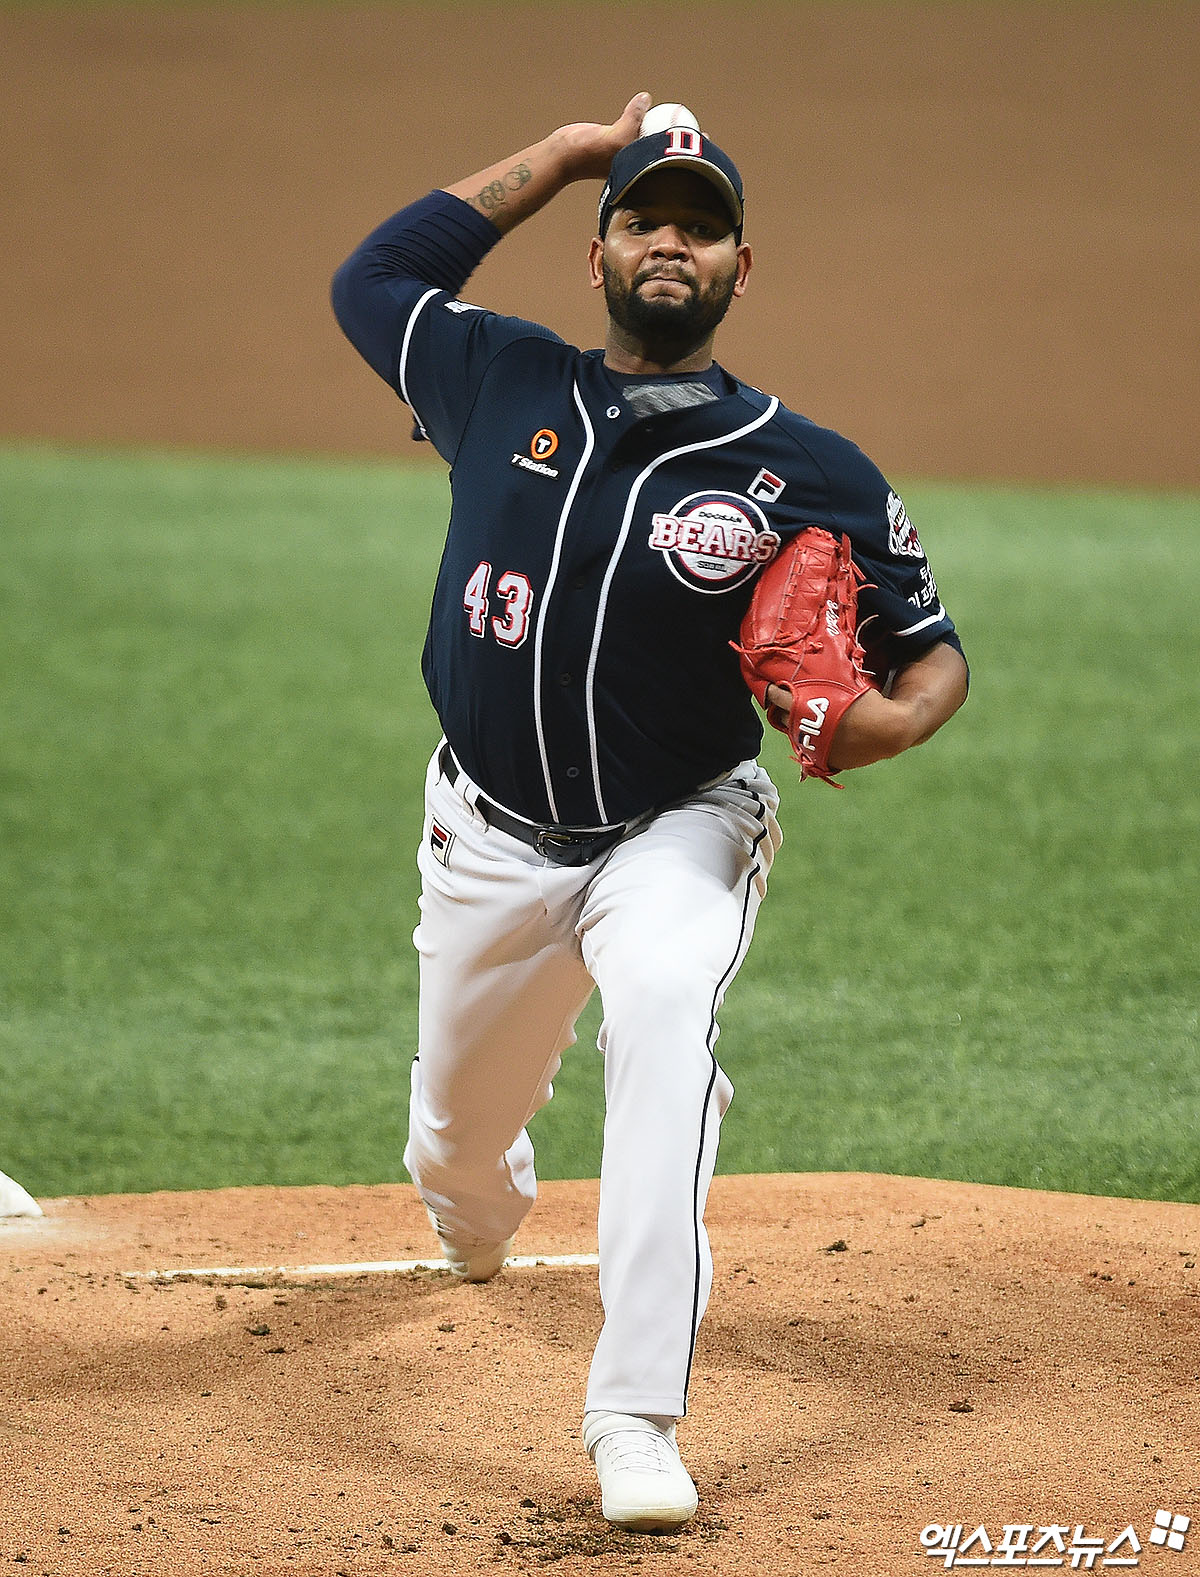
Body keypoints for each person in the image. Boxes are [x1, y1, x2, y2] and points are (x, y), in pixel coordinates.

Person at [331, 93, 968, 1531]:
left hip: (678, 829)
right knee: (454, 1155)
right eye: (642, 219)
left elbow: (932, 649)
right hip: (486, 838)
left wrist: (892, 721)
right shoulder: (496, 377)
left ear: (743, 267)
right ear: (600, 251)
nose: (670, 242)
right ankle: (478, 1204)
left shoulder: (810, 468)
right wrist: (564, 157)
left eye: (702, 227)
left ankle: (634, 1418)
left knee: (667, 1022)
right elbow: (374, 279)